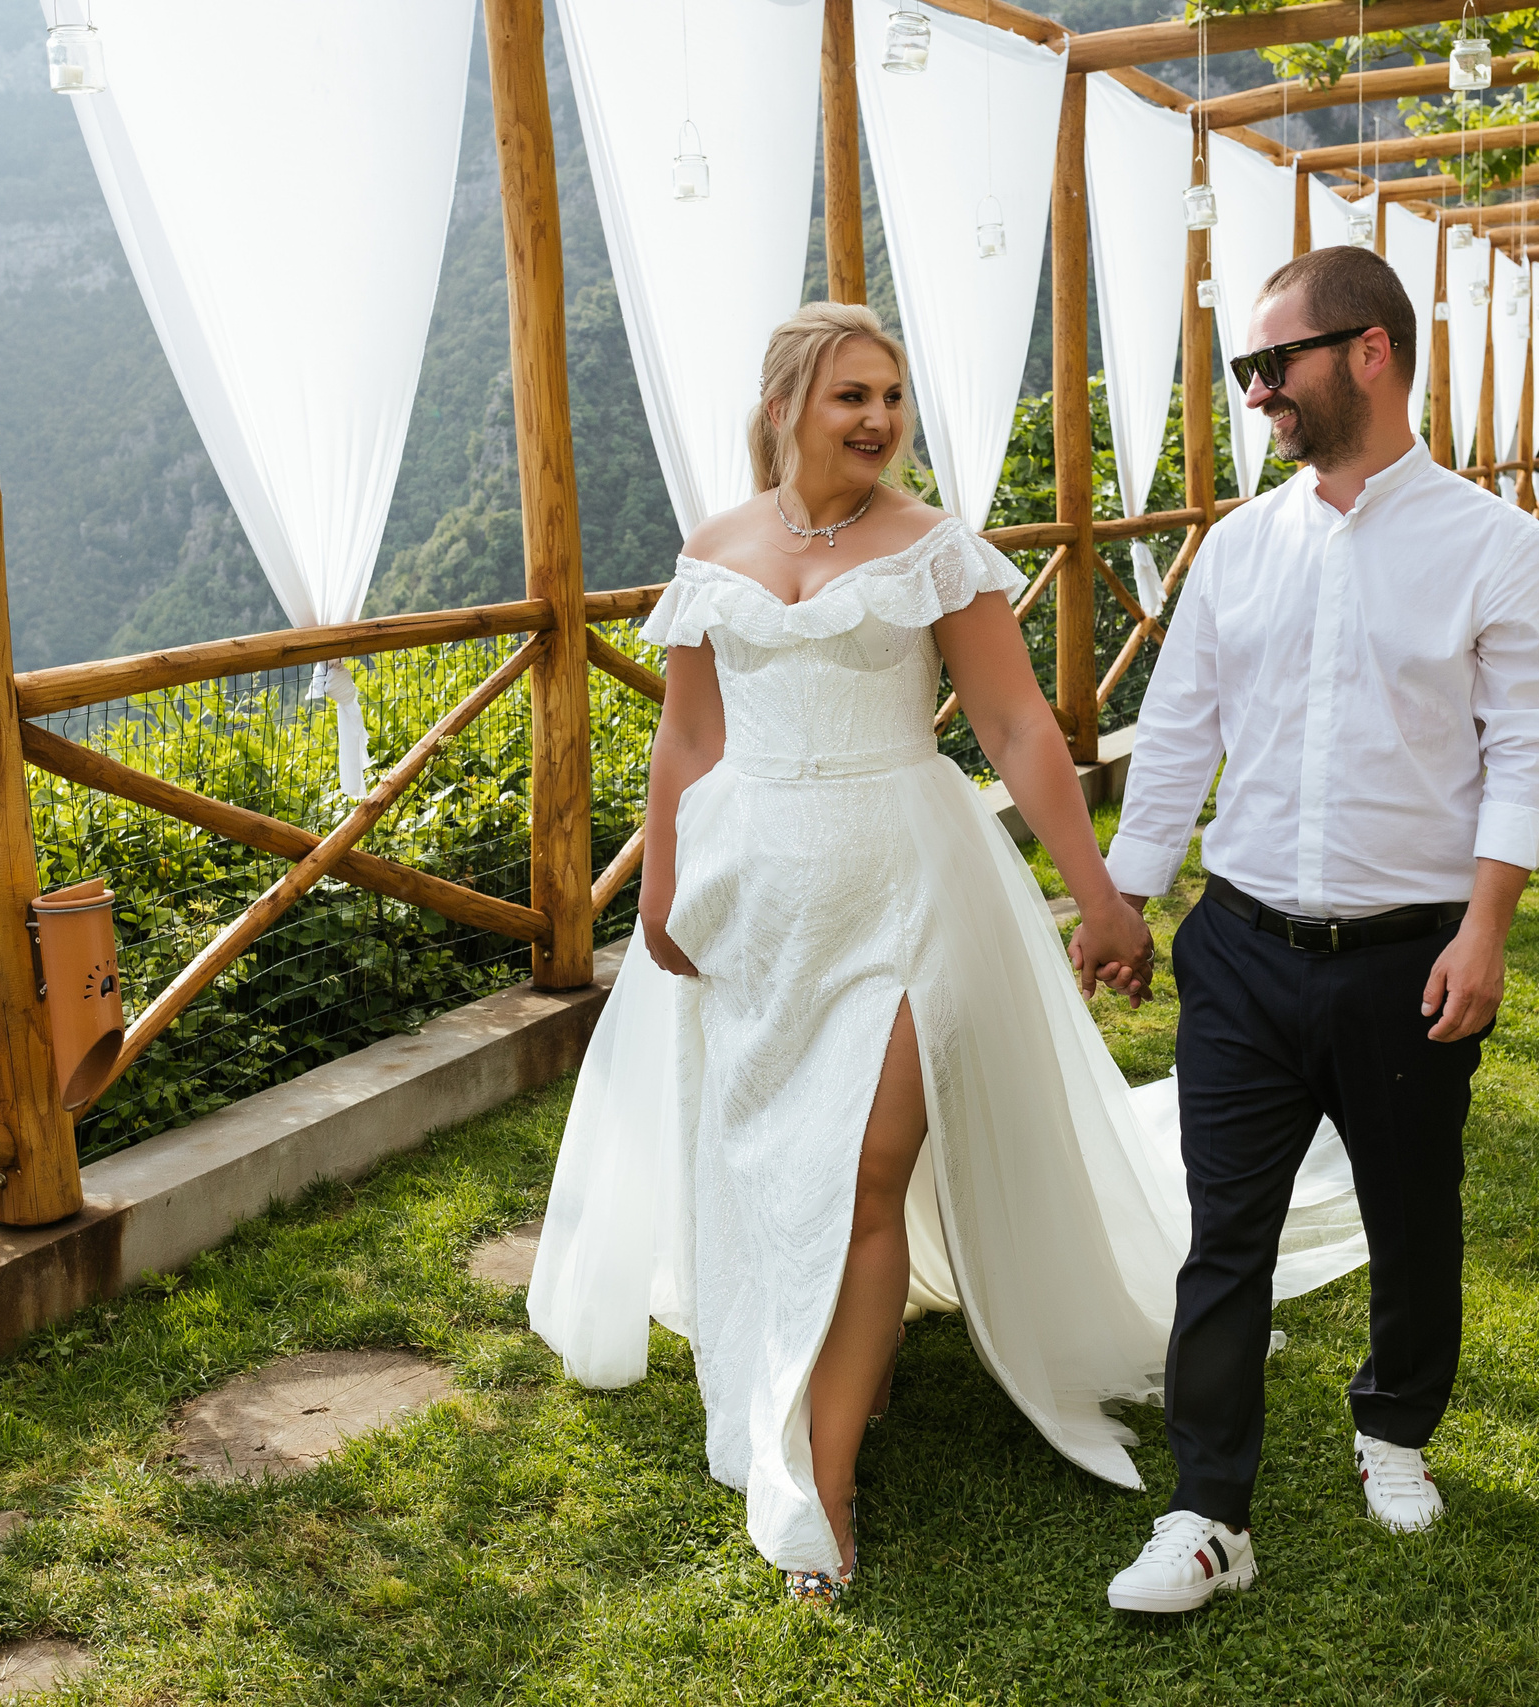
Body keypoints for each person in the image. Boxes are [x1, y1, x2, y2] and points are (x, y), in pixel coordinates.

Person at [527, 303, 1369, 1605]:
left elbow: (1016, 725)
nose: (876, 419)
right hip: (755, 892)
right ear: (783, 405)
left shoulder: (934, 552)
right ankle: (798, 1372)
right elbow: (688, 740)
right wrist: (660, 884)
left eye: (890, 397)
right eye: (849, 396)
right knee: (777, 1161)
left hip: (905, 880)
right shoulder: (716, 550)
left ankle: (825, 1475)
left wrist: (1100, 897)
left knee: (869, 1164)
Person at [1100, 246, 1539, 1614]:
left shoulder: (1498, 547)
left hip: (1411, 952)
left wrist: (1485, 930)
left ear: (1370, 351)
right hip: (1241, 948)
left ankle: (1394, 1432)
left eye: (1274, 363)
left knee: (1412, 1209)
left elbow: (1526, 753)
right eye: (1250, 368)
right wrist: (1130, 899)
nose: (1256, 392)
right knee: (1224, 1232)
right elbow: (1180, 730)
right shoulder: (1239, 548)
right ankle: (1208, 1516)